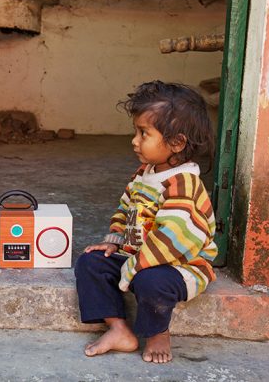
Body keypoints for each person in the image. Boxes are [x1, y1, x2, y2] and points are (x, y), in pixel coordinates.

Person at [75, 80, 218, 364]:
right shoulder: (145, 173)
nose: (134, 141)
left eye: (144, 133)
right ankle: (119, 330)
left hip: (178, 265)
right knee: (90, 262)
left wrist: (133, 268)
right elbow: (126, 208)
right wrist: (115, 241)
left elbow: (173, 240)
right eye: (136, 131)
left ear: (177, 142)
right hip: (138, 257)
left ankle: (157, 333)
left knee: (151, 281)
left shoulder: (184, 184)